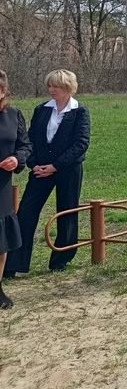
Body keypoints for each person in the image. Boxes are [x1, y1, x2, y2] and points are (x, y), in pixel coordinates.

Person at [5, 70, 90, 277]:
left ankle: (61, 259)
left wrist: (56, 166)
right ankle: (14, 263)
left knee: (67, 211)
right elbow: (30, 138)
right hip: (40, 169)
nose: (51, 90)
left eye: (56, 87)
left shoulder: (80, 111)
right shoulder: (42, 109)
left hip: (68, 170)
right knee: (26, 212)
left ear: (68, 88)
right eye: (49, 86)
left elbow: (81, 143)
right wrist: (34, 164)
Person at [0, 71, 32, 307]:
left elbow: (25, 146)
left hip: (2, 184)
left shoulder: (14, 115)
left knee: (1, 240)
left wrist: (17, 159)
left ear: (3, 92)